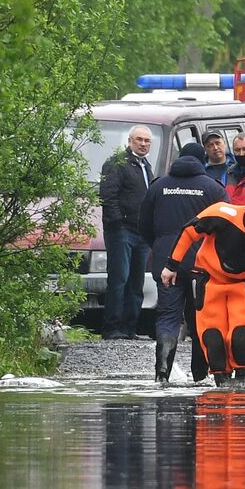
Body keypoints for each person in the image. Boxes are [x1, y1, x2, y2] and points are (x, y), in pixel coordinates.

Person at [160, 195, 245, 386]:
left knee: (242, 337)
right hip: (209, 279)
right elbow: (189, 232)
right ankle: (220, 381)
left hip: (243, 284)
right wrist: (171, 265)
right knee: (213, 337)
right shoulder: (223, 214)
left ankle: (244, 383)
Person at [138, 142, 227, 384]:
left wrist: (160, 247)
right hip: (201, 263)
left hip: (168, 263)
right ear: (202, 160)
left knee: (168, 317)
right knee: (200, 318)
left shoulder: (159, 186)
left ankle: (162, 374)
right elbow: (226, 228)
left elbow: (143, 224)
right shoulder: (213, 188)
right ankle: (200, 376)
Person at [98, 126, 153, 339]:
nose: (143, 144)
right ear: (130, 141)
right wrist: (118, 221)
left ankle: (130, 328)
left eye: (147, 141)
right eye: (139, 139)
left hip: (142, 232)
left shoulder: (145, 166)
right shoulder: (117, 163)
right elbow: (108, 196)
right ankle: (112, 327)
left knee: (136, 281)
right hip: (122, 230)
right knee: (119, 279)